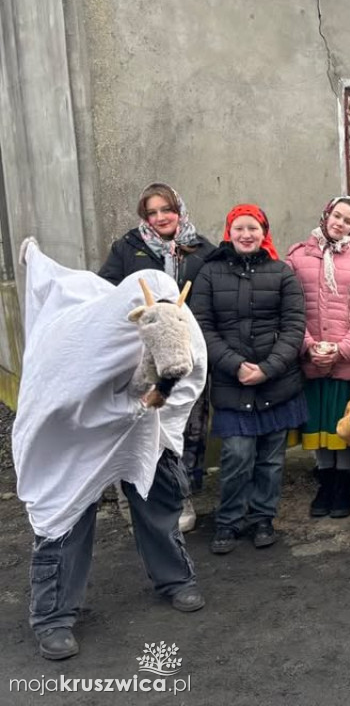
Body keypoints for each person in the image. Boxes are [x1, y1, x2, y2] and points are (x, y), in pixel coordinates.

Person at [16, 240, 208, 661]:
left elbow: (187, 374)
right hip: (75, 437)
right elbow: (62, 403)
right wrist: (126, 408)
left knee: (159, 498)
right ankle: (53, 615)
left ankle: (174, 578)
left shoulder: (180, 327)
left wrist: (154, 405)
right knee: (66, 511)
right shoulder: (80, 346)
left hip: (147, 426)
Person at [97, 182, 216, 533]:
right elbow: (108, 292)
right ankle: (133, 496)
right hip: (141, 356)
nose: (161, 217)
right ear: (144, 216)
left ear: (179, 210)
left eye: (167, 209)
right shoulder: (128, 248)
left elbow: (211, 297)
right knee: (138, 422)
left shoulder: (200, 249)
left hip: (188, 355)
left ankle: (179, 494)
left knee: (186, 427)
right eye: (153, 212)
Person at [191, 205, 307, 555]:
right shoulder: (210, 274)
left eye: (253, 228)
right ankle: (228, 520)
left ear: (264, 232)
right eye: (239, 228)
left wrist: (269, 367)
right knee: (237, 456)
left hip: (277, 382)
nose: (246, 235)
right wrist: (236, 365)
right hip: (232, 382)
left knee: (271, 459)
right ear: (229, 232)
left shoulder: (282, 273)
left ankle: (262, 518)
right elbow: (202, 327)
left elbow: (294, 327)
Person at [286, 196, 350, 519]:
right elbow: (290, 306)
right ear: (325, 215)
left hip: (349, 358)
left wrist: (343, 349)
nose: (339, 223)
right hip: (313, 359)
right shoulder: (299, 256)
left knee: (343, 424)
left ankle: (342, 485)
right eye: (336, 216)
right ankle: (325, 482)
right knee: (320, 424)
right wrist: (310, 346)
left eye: (347, 220)